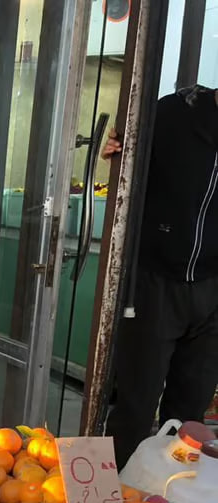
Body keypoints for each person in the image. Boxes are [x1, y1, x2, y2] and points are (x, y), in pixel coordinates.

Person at [103, 85, 218, 466]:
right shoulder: (174, 113)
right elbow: (127, 166)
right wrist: (116, 153)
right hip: (155, 283)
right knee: (135, 405)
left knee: (189, 415)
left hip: (212, 290)